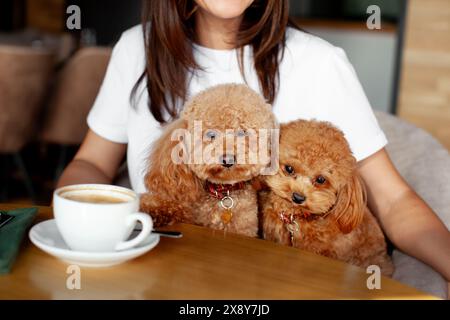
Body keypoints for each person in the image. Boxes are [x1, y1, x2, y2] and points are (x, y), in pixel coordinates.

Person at [57, 0, 450, 295]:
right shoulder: (135, 48)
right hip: (148, 280)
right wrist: (78, 218)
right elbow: (91, 163)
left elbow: (394, 201)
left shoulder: (320, 63)